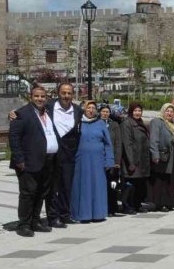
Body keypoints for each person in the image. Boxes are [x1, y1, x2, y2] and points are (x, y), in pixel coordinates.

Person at [8, 86, 59, 236]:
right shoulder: (22, 114)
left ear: (47, 98)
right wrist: (19, 159)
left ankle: (35, 221)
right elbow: (14, 138)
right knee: (28, 194)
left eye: (43, 96)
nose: (40, 99)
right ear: (31, 97)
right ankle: (24, 224)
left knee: (41, 193)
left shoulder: (48, 111)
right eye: (36, 96)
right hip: (28, 162)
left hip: (47, 161)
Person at [70, 101, 115, 222]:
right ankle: (82, 215)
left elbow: (108, 144)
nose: (91, 110)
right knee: (83, 187)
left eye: (93, 108)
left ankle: (98, 214)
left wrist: (109, 161)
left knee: (97, 186)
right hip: (81, 161)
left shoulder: (100, 124)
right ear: (84, 109)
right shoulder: (77, 123)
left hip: (98, 162)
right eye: (88, 108)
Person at [47, 83, 82, 228]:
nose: (66, 96)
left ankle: (65, 215)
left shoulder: (78, 110)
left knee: (66, 186)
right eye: (63, 93)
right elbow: (29, 111)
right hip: (52, 154)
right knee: (52, 187)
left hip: (69, 154)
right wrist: (12, 114)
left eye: (69, 93)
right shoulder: (49, 107)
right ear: (58, 93)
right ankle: (53, 217)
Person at [120, 103, 151, 214]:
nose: (137, 113)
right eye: (135, 111)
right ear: (131, 111)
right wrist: (131, 162)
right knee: (130, 185)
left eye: (139, 110)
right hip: (132, 159)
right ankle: (127, 206)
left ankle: (137, 205)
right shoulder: (127, 123)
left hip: (142, 159)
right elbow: (127, 143)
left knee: (139, 184)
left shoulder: (140, 122)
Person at [148, 103, 174, 212]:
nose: (169, 113)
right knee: (160, 181)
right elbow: (154, 140)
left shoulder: (172, 124)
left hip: (171, 156)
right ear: (163, 111)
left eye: (171, 111)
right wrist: (155, 155)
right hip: (161, 156)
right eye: (167, 111)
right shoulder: (157, 122)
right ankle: (159, 204)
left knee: (168, 180)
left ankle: (169, 203)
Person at [99, 104, 123, 215]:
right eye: (103, 111)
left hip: (112, 160)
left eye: (107, 112)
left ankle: (112, 208)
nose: (105, 114)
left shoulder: (114, 125)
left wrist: (117, 161)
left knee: (112, 185)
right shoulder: (96, 124)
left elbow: (118, 144)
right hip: (99, 160)